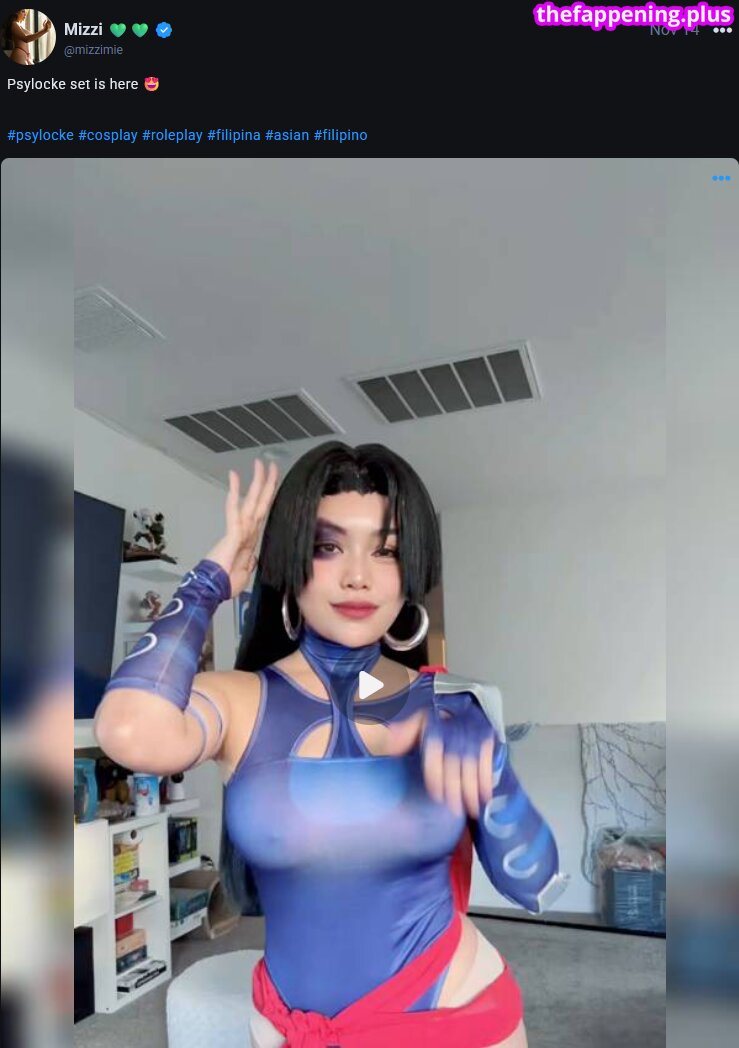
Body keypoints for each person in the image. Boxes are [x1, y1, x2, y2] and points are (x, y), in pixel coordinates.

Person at [95, 443, 568, 1047]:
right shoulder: (240, 700)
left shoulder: (451, 705)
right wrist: (212, 580)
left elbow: (536, 884)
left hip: (455, 1019)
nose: (357, 575)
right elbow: (128, 731)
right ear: (292, 559)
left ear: (410, 570)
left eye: (386, 550)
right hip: (292, 1029)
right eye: (327, 546)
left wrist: (492, 762)